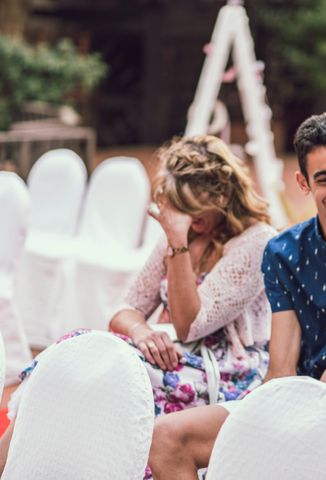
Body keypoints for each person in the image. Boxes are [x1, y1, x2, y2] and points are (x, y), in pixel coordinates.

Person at [146, 112, 326, 479]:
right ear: (303, 182)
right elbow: (280, 367)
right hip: (295, 398)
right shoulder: (284, 251)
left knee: (284, 462)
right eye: (324, 179)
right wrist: (260, 418)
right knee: (167, 437)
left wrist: (275, 435)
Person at [0, 135, 276, 476]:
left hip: (224, 369)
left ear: (221, 197)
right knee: (67, 359)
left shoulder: (256, 240)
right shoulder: (182, 234)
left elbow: (192, 324)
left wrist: (177, 243)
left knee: (102, 377)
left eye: (192, 207)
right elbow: (124, 309)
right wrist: (142, 331)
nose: (186, 217)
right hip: (170, 356)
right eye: (179, 206)